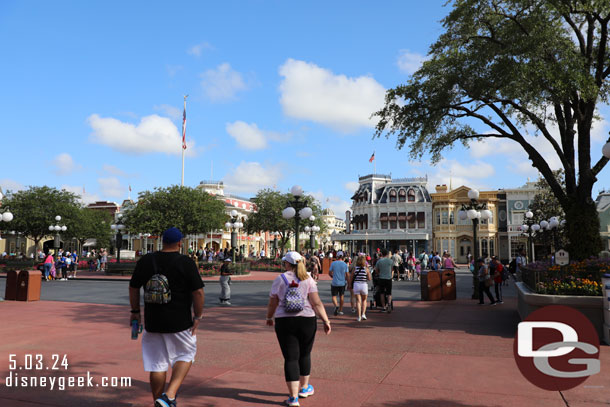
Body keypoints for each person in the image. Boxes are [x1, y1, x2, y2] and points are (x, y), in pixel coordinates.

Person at [129, 227, 205, 407]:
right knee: (186, 354)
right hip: (179, 321)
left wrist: (135, 312)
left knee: (157, 364)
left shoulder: (147, 260)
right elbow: (198, 292)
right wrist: (198, 316)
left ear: (162, 241)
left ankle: (158, 401)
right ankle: (169, 395)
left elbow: (133, 287)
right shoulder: (185, 262)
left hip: (153, 321)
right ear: (180, 243)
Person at [266, 251, 331, 407]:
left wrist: (269, 317)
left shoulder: (279, 279)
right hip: (307, 320)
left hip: (285, 321)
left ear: (288, 264)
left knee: (290, 357)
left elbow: (272, 302)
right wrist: (326, 320)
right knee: (305, 353)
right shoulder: (308, 279)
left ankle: (293, 398)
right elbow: (316, 303)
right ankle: (304, 387)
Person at [349, 255, 372, 322]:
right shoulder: (366, 269)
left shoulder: (355, 269)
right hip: (364, 285)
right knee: (364, 300)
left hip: (356, 285)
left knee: (358, 301)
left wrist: (350, 284)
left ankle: (358, 316)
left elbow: (351, 277)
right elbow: (369, 278)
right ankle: (363, 314)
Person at [328, 251, 349, 315]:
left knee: (334, 296)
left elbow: (330, 272)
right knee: (341, 296)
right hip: (342, 282)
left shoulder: (333, 263)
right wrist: (348, 282)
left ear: (337, 256)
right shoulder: (345, 264)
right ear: (342, 257)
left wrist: (332, 276)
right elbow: (347, 275)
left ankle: (336, 305)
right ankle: (340, 309)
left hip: (335, 282)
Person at [373, 248, 393, 313]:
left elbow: (376, 270)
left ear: (381, 254)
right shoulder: (390, 261)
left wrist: (379, 273)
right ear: (387, 254)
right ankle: (389, 304)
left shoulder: (379, 261)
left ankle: (384, 307)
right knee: (389, 293)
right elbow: (392, 269)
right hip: (388, 278)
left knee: (382, 293)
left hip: (381, 278)